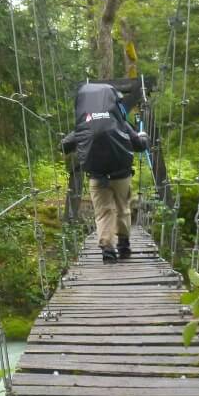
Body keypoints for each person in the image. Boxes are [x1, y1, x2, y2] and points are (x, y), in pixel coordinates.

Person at [62, 83, 149, 263]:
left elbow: (63, 146)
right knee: (123, 209)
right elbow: (140, 146)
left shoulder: (83, 124)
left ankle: (108, 250)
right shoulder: (121, 123)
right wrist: (144, 136)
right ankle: (124, 245)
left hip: (97, 176)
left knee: (103, 213)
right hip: (121, 175)